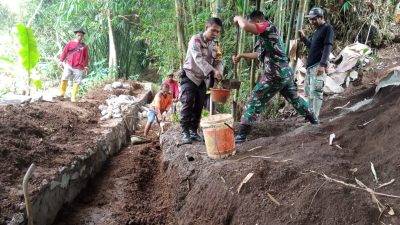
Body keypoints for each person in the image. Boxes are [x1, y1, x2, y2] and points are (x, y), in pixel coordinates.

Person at [233, 10, 319, 144]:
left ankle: (241, 135)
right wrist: (241, 55)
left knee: (254, 99)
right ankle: (314, 120)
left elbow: (245, 26)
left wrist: (238, 17)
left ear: (257, 21)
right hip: (284, 73)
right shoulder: (266, 35)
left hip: (275, 74)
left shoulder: (267, 26)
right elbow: (259, 55)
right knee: (295, 99)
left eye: (253, 24)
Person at [179, 17, 224, 144]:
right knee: (188, 102)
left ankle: (193, 131)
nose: (215, 34)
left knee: (199, 105)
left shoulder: (216, 44)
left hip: (203, 79)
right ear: (206, 27)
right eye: (213, 30)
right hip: (190, 75)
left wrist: (218, 71)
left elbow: (219, 61)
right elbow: (198, 59)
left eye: (217, 32)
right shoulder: (195, 39)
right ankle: (185, 132)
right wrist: (213, 71)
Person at [299, 7, 335, 118]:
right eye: (310, 19)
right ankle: (311, 116)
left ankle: (314, 117)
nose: (311, 22)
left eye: (314, 19)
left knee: (316, 92)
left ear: (321, 17)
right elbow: (312, 47)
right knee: (309, 93)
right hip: (310, 67)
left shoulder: (327, 28)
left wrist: (323, 64)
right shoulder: (317, 31)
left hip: (318, 66)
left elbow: (328, 46)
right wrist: (304, 38)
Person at [58, 28, 89, 102]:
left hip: (79, 66)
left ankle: (73, 97)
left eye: (81, 35)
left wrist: (86, 66)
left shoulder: (85, 46)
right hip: (69, 64)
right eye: (78, 35)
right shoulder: (70, 43)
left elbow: (86, 57)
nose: (80, 37)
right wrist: (61, 61)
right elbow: (65, 52)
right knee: (64, 77)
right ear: (76, 35)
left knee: (77, 81)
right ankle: (62, 94)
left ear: (83, 36)